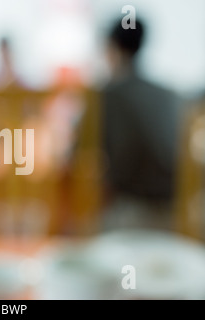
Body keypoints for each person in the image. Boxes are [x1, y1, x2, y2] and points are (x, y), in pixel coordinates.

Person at [99, 19, 183, 230]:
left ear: (112, 48)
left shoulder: (110, 95)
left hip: (131, 213)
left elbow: (81, 154)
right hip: (175, 213)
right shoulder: (168, 94)